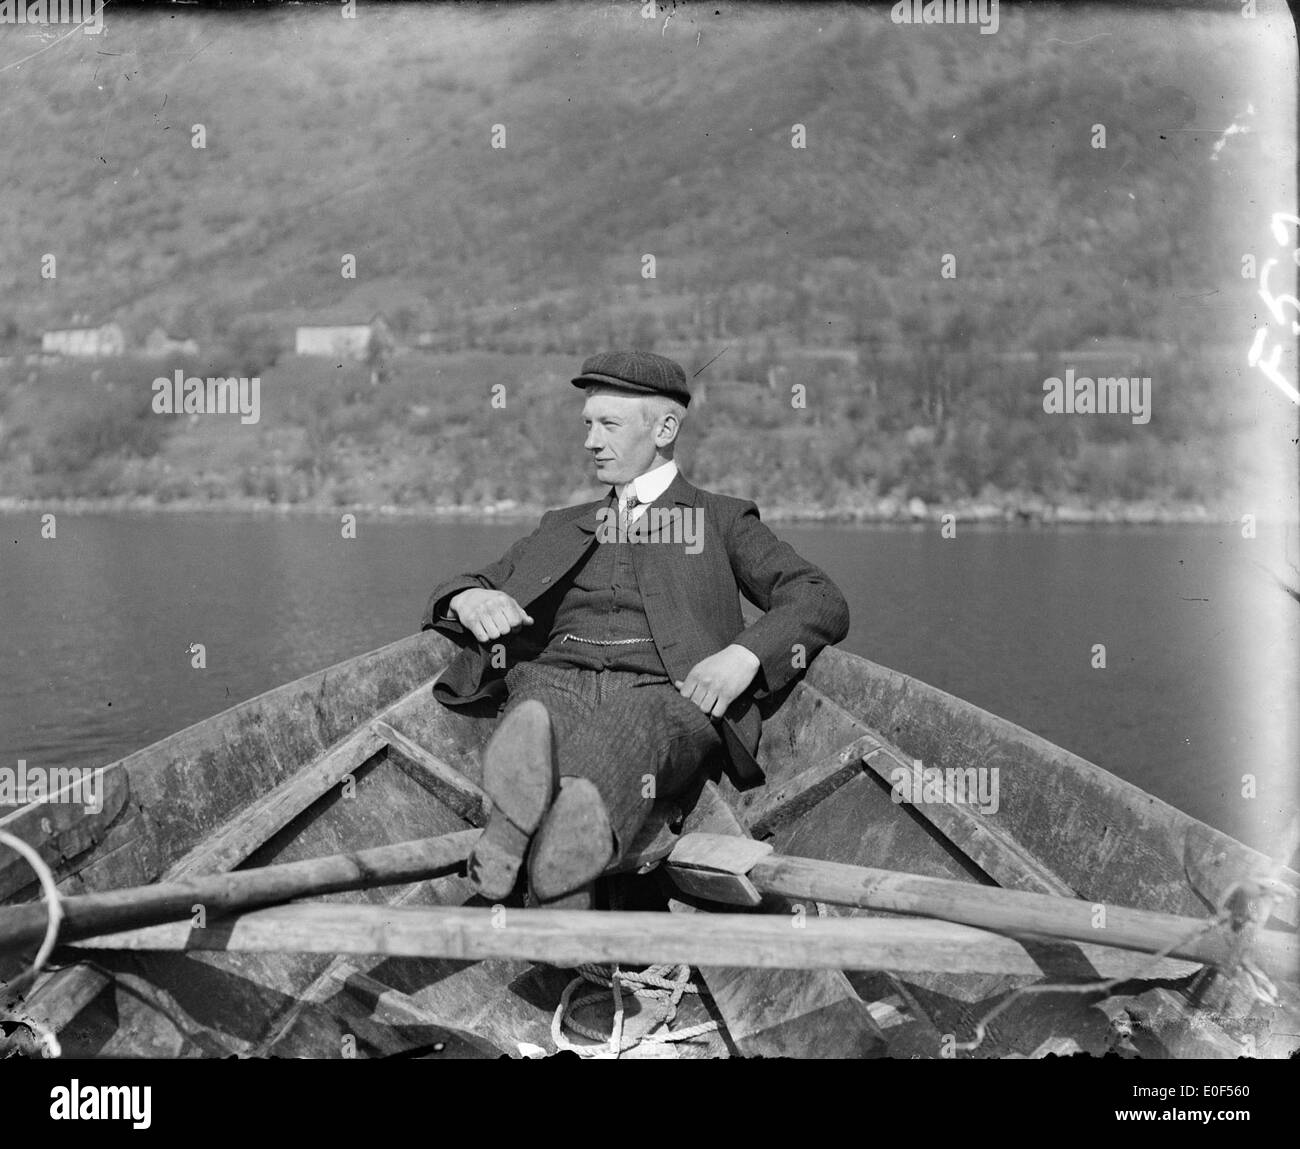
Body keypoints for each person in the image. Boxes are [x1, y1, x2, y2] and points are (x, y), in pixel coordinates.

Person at [421, 349, 849, 903]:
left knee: (630, 720)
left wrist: (742, 656)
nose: (590, 441)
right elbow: (467, 581)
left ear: (665, 428)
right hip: (555, 676)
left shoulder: (720, 519)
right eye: (587, 425)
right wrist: (472, 598)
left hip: (665, 693)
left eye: (609, 425)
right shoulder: (563, 525)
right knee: (538, 713)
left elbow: (818, 596)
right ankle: (558, 854)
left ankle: (522, 834)